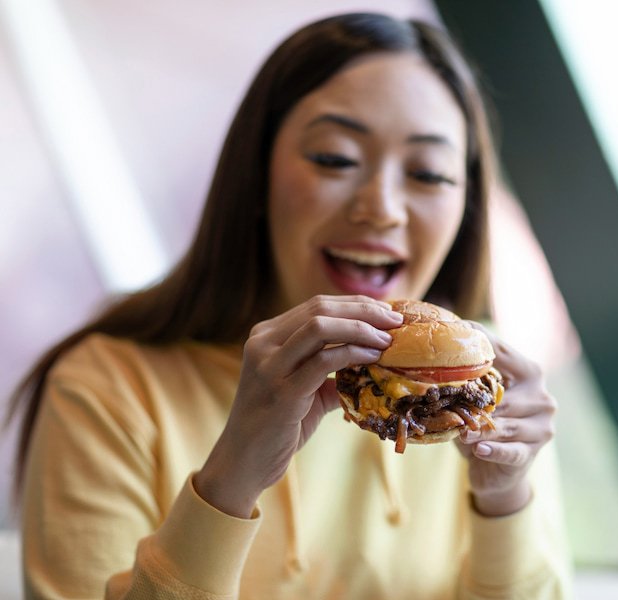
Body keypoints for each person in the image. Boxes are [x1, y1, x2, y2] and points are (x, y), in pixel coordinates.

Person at [8, 12, 571, 599]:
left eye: (427, 173)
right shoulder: (107, 387)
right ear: (257, 178)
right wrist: (233, 474)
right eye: (335, 159)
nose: (381, 208)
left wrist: (503, 498)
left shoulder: (486, 392)